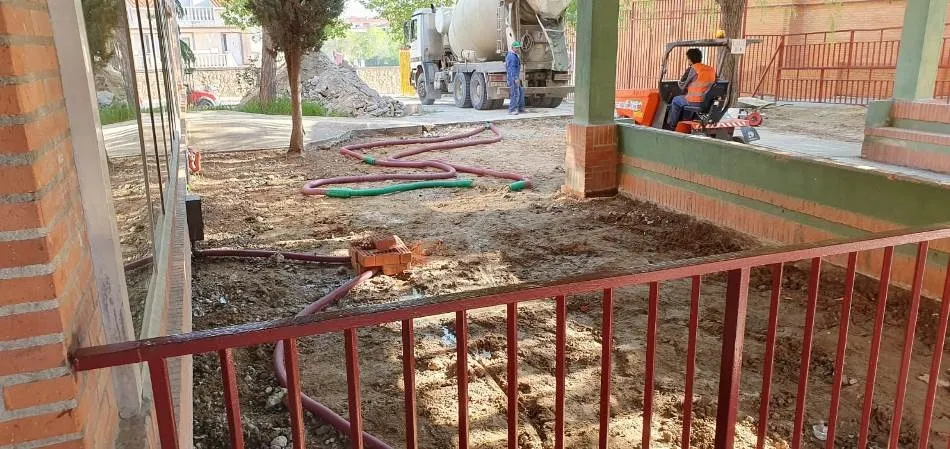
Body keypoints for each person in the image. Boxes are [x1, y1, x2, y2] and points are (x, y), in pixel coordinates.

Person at [666, 48, 716, 129]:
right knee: (685, 99)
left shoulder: (693, 68)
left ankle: (672, 127)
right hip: (708, 102)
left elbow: (682, 85)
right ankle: (686, 123)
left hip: (696, 101)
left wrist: (681, 84)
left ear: (689, 59)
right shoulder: (711, 69)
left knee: (675, 100)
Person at [506, 41, 526, 115]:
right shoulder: (511, 56)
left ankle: (521, 108)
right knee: (515, 93)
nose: (517, 49)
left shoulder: (514, 55)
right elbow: (512, 68)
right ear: (513, 47)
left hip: (515, 76)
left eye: (518, 47)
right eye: (516, 47)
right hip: (513, 77)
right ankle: (511, 110)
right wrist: (515, 78)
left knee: (521, 91)